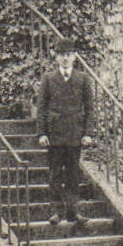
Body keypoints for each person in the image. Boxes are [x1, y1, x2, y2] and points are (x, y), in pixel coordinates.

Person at [36, 37, 94, 228]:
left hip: (75, 134)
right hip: (54, 134)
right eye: (62, 55)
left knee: (72, 174)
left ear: (75, 57)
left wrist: (87, 133)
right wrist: (42, 134)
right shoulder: (48, 79)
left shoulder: (83, 79)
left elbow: (90, 108)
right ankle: (55, 211)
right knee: (54, 173)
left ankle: (73, 211)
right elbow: (42, 107)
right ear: (56, 57)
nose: (65, 59)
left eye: (68, 55)